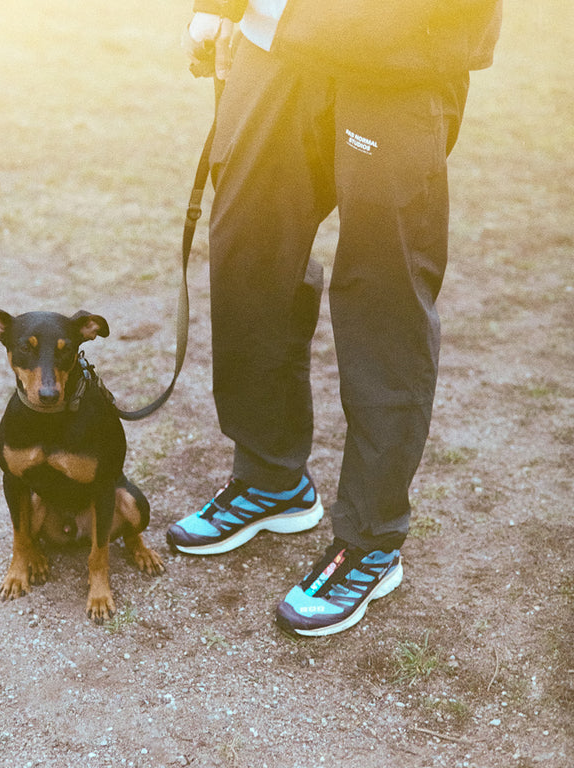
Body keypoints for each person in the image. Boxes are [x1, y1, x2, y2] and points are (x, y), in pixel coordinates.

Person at [166, 0, 502, 636]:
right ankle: (269, 478)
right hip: (274, 47)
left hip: (398, 57)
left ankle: (371, 537)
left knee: (383, 293)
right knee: (249, 257)